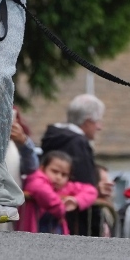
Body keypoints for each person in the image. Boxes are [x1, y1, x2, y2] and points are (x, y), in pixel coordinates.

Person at [40, 93, 103, 235]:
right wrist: (96, 227)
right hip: (71, 224)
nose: (99, 127)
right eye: (97, 121)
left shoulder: (53, 138)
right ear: (87, 122)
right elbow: (85, 183)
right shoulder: (78, 144)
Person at [18, 150, 98, 235]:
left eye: (64, 175)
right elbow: (40, 189)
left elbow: (91, 191)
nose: (59, 177)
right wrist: (60, 208)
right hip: (31, 232)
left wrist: (76, 201)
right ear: (42, 168)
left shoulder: (66, 186)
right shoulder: (36, 179)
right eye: (54, 171)